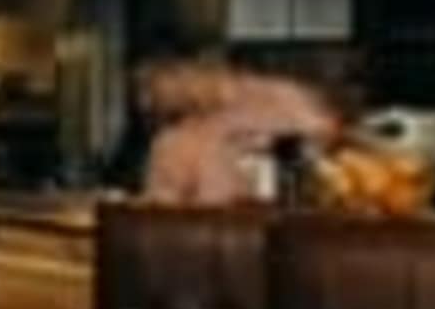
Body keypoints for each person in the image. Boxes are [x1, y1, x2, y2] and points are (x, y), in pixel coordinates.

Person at [133, 47, 340, 204]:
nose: (147, 103)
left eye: (151, 86)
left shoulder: (282, 98)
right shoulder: (174, 143)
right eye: (144, 92)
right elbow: (159, 212)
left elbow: (328, 145)